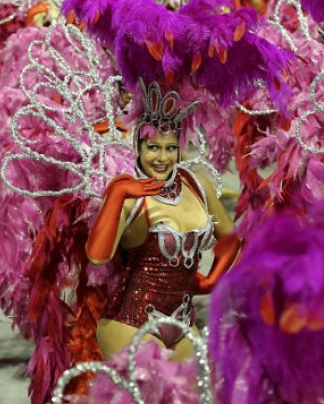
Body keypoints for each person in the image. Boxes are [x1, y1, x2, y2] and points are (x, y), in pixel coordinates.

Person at [85, 81, 240, 361]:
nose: (162, 157)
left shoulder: (196, 183)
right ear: (138, 147)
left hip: (183, 322)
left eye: (171, 148)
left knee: (196, 403)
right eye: (153, 147)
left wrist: (212, 280)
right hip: (130, 323)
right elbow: (97, 256)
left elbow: (231, 239)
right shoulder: (128, 193)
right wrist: (117, 194)